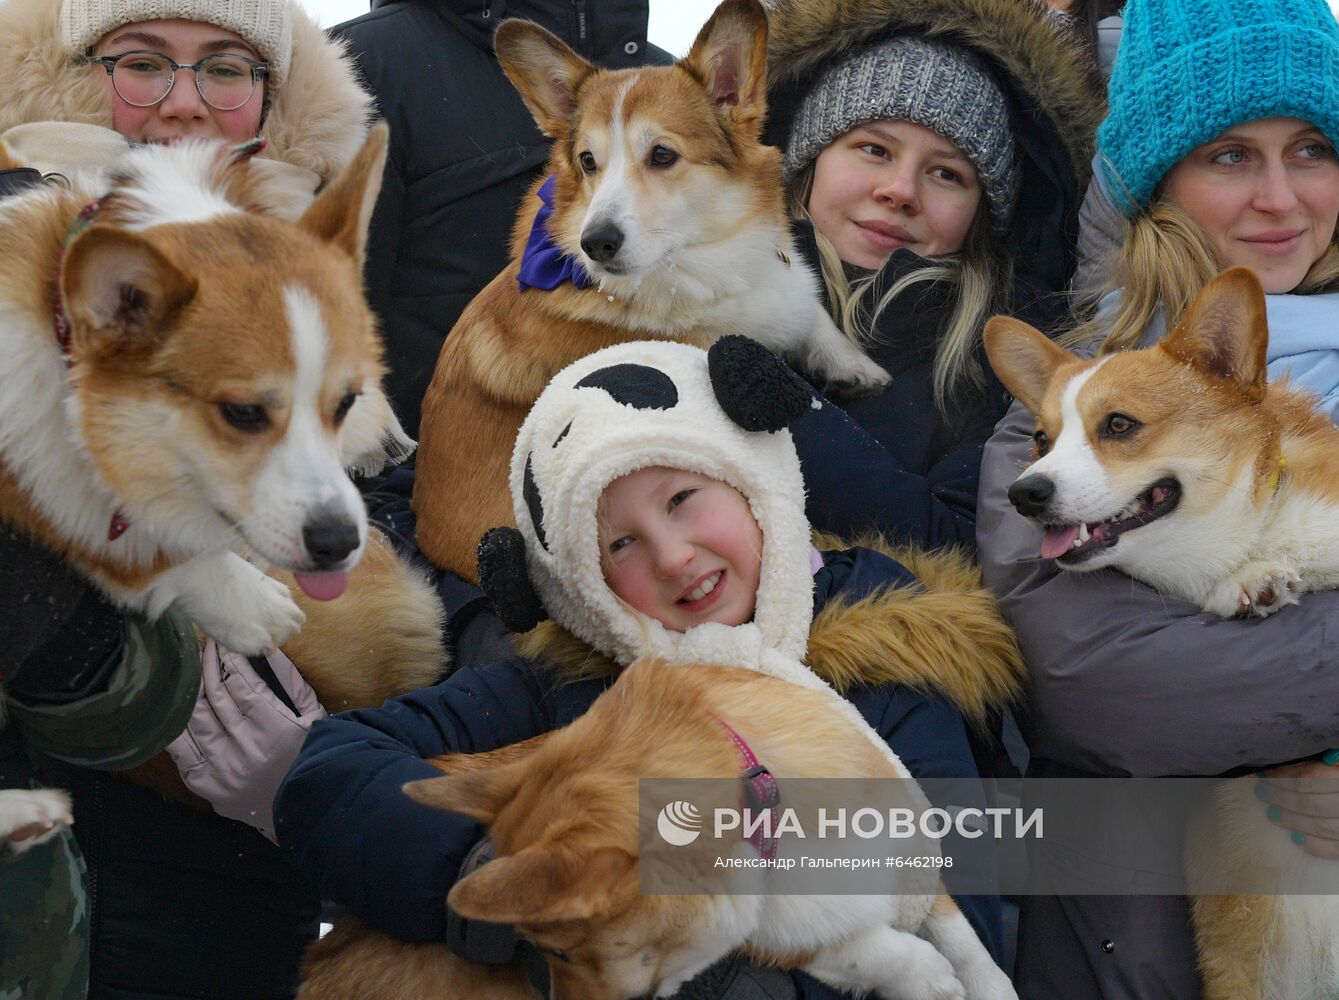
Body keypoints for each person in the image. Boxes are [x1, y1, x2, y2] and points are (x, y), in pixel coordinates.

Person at [275, 338, 1022, 998]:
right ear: (580, 582)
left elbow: (953, 924)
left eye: (684, 498)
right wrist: (519, 869)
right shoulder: (569, 682)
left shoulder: (892, 673)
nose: (671, 556)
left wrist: (724, 969)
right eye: (619, 545)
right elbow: (329, 776)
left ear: (758, 484)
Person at [0, 0, 377, 996]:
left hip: (234, 872)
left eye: (226, 67)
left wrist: (333, 772)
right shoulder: (54, 271)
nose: (183, 104)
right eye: (140, 61)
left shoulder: (318, 284)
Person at [976, 0, 1339, 995]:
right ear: (1157, 182)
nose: (1278, 197)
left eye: (1310, 149)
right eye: (1228, 155)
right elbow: (1105, 684)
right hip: (1144, 951)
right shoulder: (1063, 415)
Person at [761, 0, 1105, 549]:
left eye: (946, 173)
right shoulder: (684, 289)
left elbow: (960, 543)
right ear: (808, 160)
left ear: (981, 215)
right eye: (874, 149)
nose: (899, 190)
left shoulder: (1009, 354)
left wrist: (783, 407)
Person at [329, 0, 671, 440]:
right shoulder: (360, 65)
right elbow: (318, 337)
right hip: (432, 487)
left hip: (662, 486)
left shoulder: (683, 88)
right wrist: (385, 499)